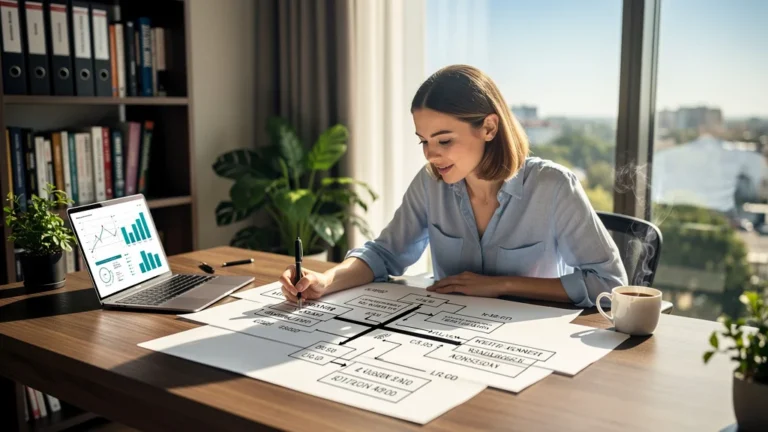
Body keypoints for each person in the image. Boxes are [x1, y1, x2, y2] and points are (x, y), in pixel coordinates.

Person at [279, 64, 627, 308]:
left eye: (444, 141)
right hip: (448, 338)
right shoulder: (431, 184)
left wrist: (500, 285)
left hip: (532, 344)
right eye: (424, 141)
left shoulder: (553, 186)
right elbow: (384, 254)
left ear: (489, 128)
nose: (431, 154)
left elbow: (610, 285)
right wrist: (326, 281)